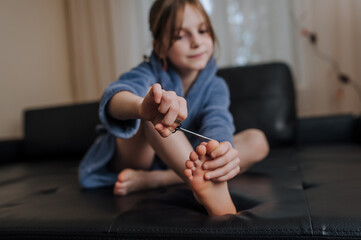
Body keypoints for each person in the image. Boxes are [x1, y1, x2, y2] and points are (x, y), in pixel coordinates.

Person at [78, 0, 269, 216]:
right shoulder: (148, 71)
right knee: (155, 103)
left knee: (257, 140)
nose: (196, 42)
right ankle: (208, 187)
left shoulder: (215, 85)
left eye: (202, 30)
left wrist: (220, 152)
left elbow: (218, 120)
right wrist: (142, 107)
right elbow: (114, 98)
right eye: (180, 36)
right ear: (159, 46)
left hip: (181, 163)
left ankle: (161, 179)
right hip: (136, 159)